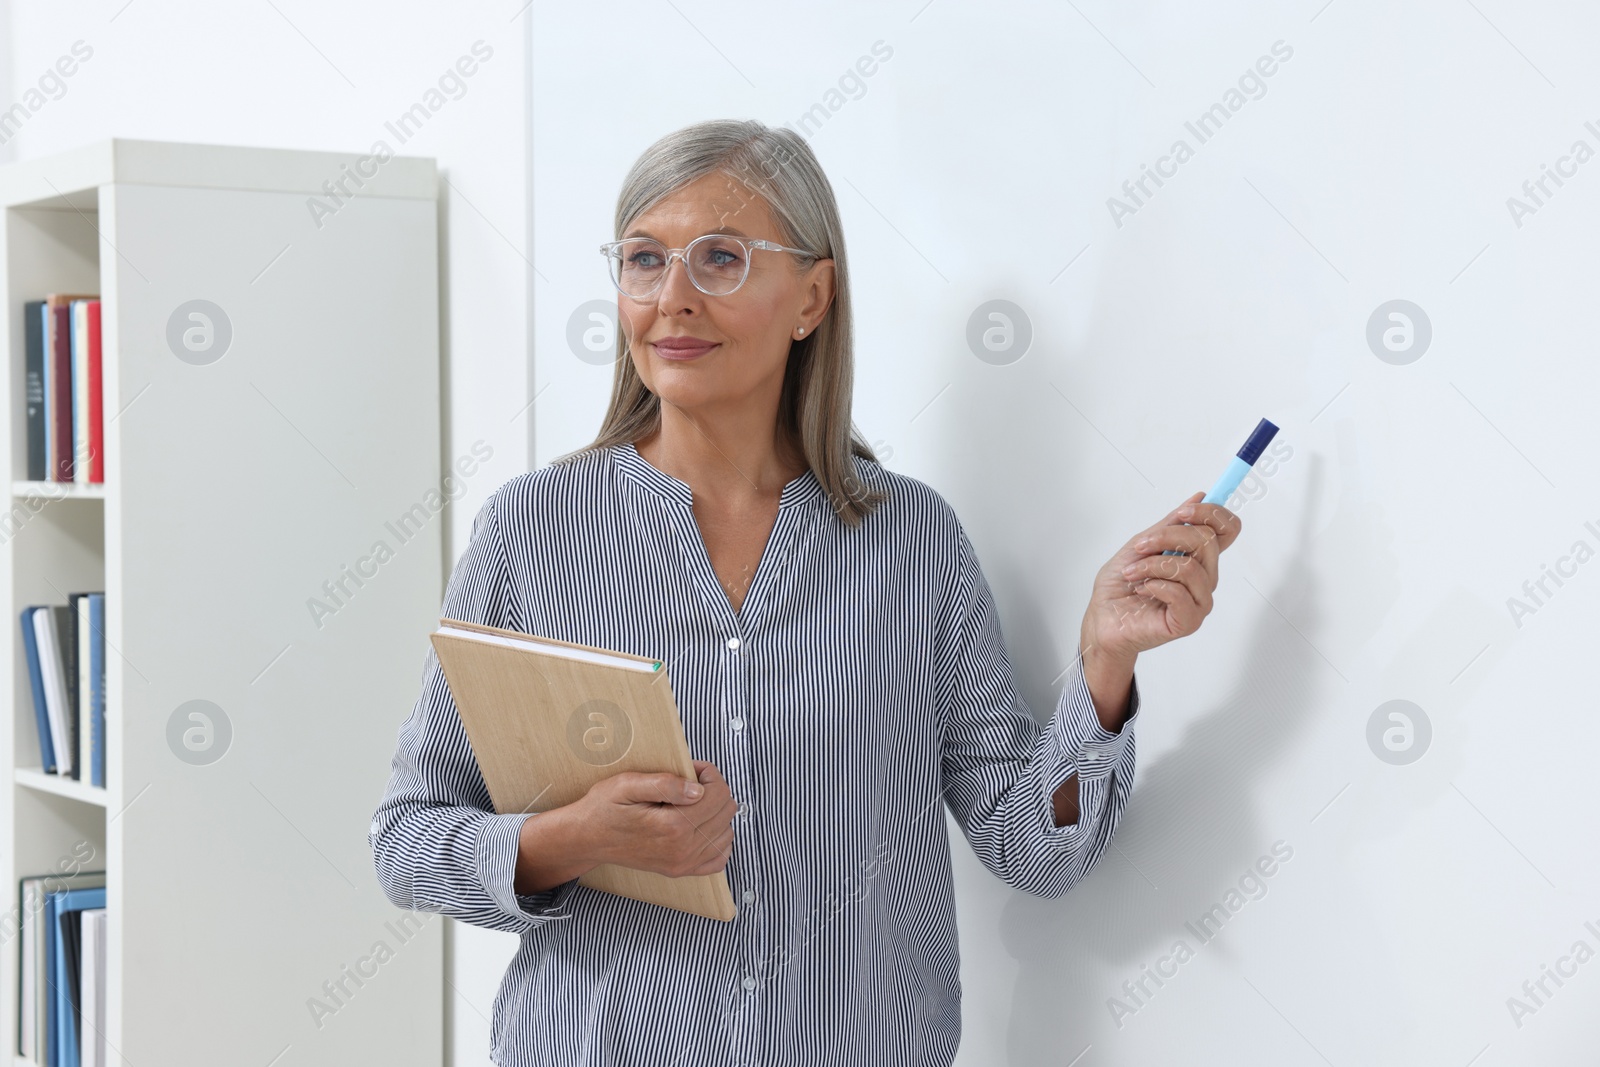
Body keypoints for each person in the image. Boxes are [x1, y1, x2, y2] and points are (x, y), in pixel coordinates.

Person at [369, 117, 1240, 1067]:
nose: (673, 299)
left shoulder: (912, 542)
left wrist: (1106, 659)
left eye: (722, 259)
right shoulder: (531, 532)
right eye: (643, 260)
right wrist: (568, 838)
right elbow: (406, 841)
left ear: (813, 296)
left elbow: (1036, 849)